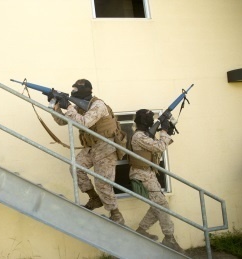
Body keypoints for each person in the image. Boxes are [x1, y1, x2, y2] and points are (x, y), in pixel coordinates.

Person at [49, 79, 124, 224]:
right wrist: (55, 106)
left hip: (106, 147)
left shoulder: (98, 105)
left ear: (89, 91)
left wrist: (69, 106)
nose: (74, 92)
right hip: (91, 148)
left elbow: (83, 122)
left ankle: (116, 214)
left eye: (77, 90)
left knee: (102, 183)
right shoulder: (80, 106)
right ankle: (94, 198)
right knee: (75, 167)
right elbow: (62, 121)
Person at [129, 109, 184, 253]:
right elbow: (159, 146)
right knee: (162, 205)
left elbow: (158, 148)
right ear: (144, 121)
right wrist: (164, 130)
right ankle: (169, 239)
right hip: (142, 175)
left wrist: (168, 131)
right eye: (150, 118)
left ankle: (142, 230)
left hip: (148, 174)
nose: (152, 120)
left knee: (157, 205)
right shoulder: (139, 136)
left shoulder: (145, 135)